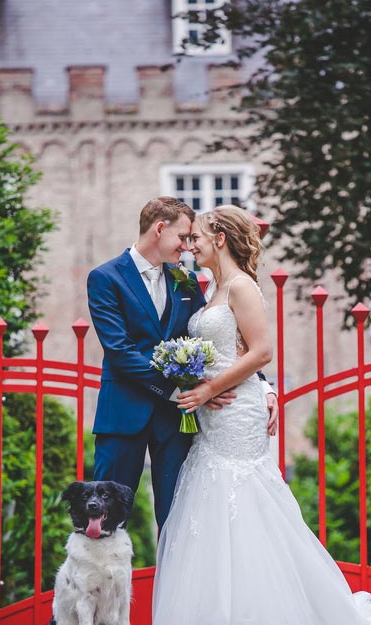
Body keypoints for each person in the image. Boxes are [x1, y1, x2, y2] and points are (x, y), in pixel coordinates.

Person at [148, 204, 371, 625]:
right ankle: (219, 623)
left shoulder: (241, 286)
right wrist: (200, 383)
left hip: (235, 412)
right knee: (212, 502)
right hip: (216, 414)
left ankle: (264, 621)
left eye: (198, 237)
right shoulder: (213, 289)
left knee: (246, 499)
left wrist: (208, 391)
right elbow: (234, 349)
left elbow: (262, 352)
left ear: (219, 238)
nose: (191, 245)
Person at [86, 196, 276, 531]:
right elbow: (120, 352)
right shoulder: (105, 278)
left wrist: (261, 385)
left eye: (193, 239)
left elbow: (224, 342)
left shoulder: (185, 280)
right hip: (124, 416)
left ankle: (170, 585)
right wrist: (182, 391)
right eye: (183, 237)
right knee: (104, 520)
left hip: (176, 423)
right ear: (160, 229)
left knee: (179, 524)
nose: (187, 247)